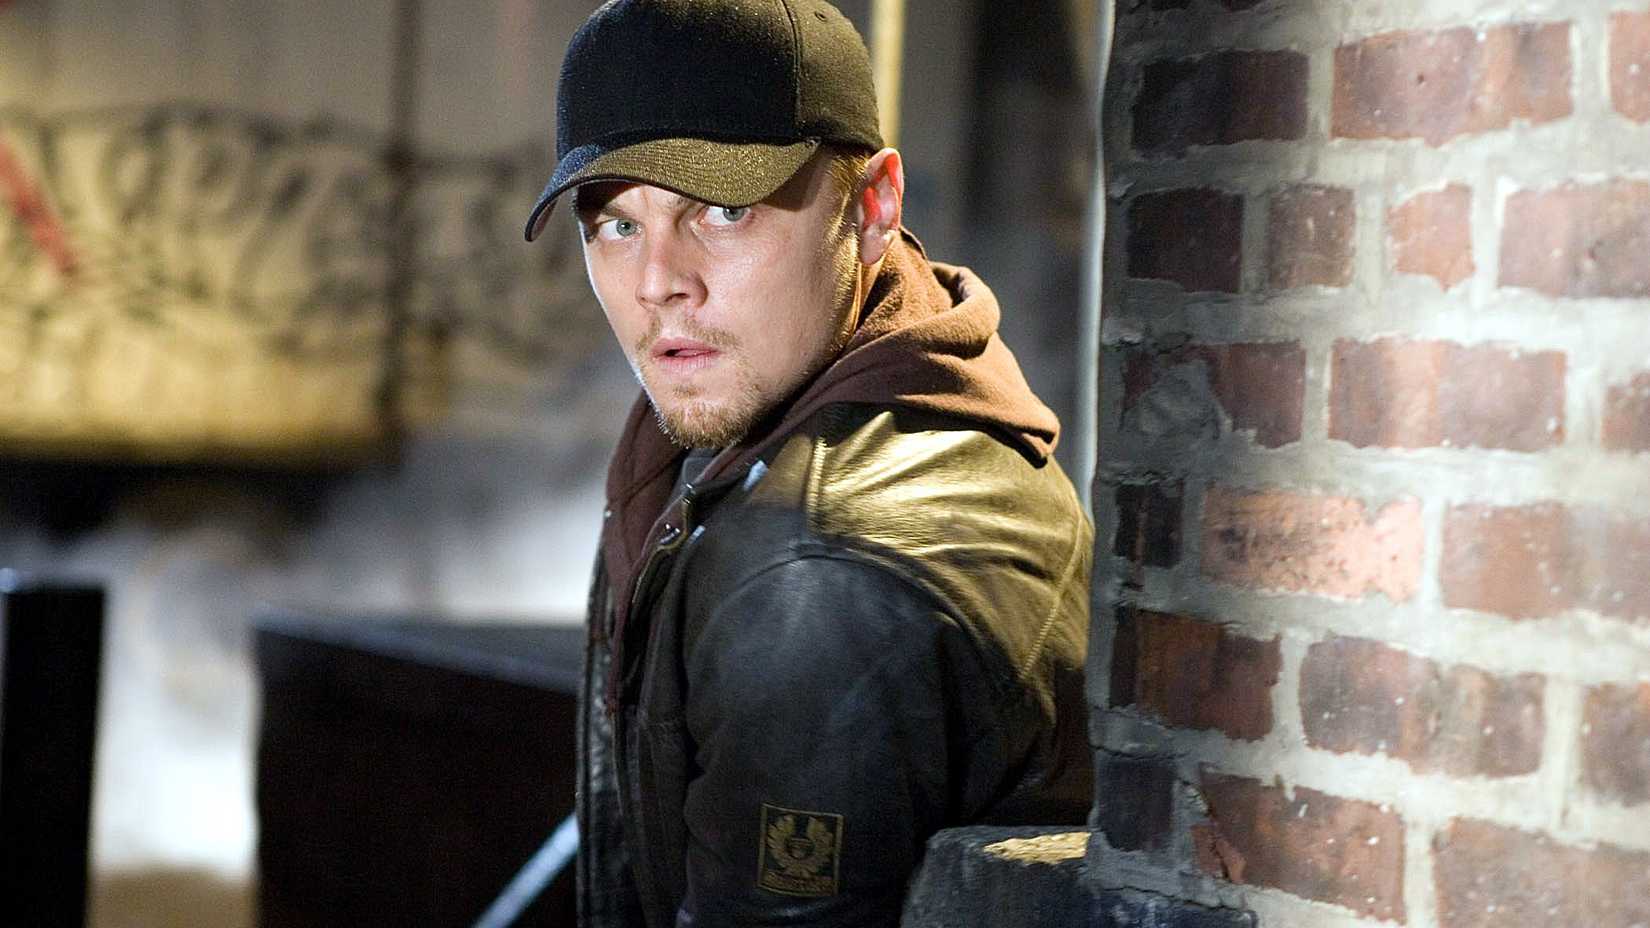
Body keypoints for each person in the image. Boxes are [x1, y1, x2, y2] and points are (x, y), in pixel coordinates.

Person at [523, 1, 1093, 925]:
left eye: (723, 210)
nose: (659, 281)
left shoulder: (819, 579)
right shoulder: (769, 424)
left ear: (873, 208)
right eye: (616, 224)